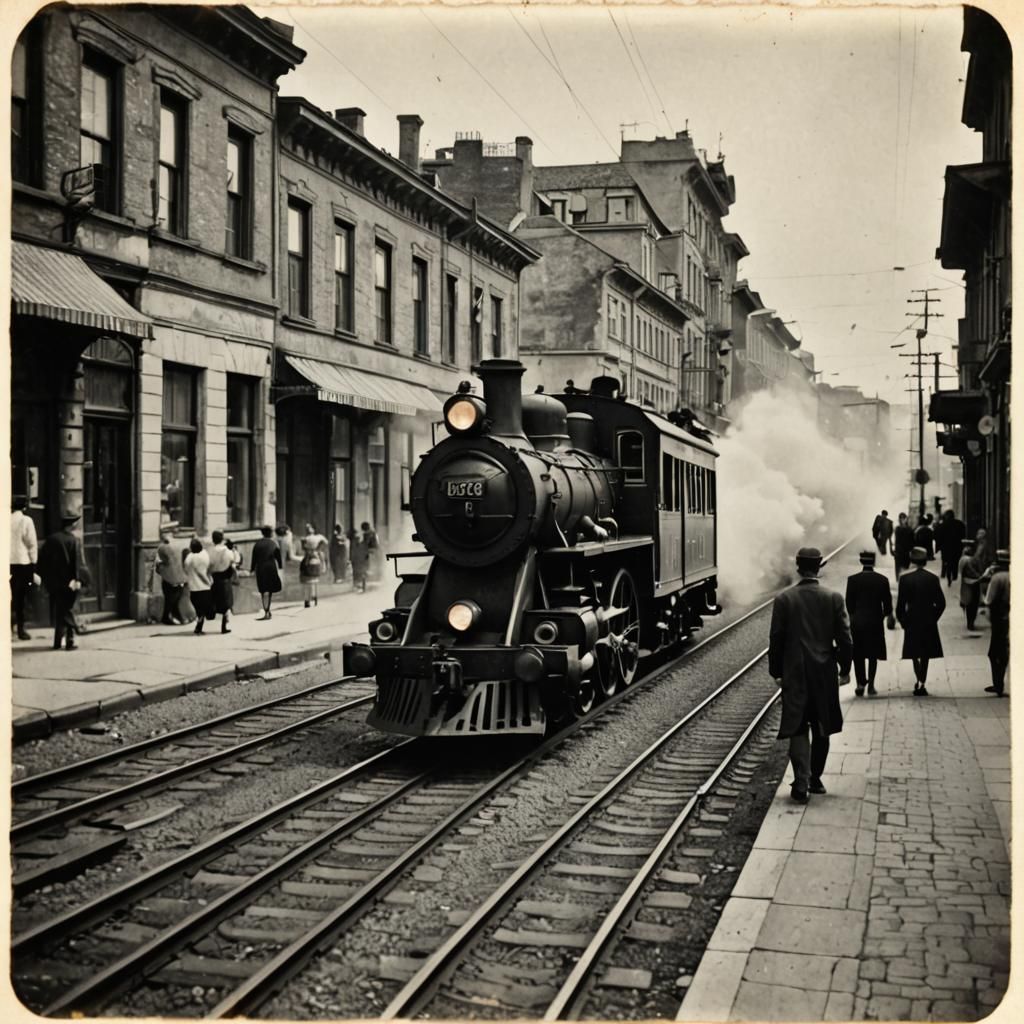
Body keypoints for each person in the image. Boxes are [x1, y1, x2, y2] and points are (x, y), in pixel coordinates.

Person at [769, 546, 853, 804]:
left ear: (798, 566)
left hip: (795, 673)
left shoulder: (784, 599)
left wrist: (777, 672)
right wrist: (845, 669)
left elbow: (777, 640)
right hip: (824, 672)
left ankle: (801, 782)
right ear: (819, 567)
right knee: (821, 726)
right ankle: (815, 778)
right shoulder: (834, 598)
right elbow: (845, 639)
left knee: (797, 727)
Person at [896, 546, 946, 696]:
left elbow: (900, 605)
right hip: (928, 619)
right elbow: (941, 603)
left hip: (912, 618)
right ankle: (922, 680)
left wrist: (903, 621)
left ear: (912, 560)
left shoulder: (905, 579)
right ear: (925, 561)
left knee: (913, 651)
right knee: (926, 652)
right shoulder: (932, 578)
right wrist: (933, 617)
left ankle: (919, 679)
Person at [845, 550, 894, 697]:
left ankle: (860, 684)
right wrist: (882, 616)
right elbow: (888, 605)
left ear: (861, 562)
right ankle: (871, 685)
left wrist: (854, 616)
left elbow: (849, 603)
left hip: (857, 622)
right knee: (873, 654)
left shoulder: (852, 580)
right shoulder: (882, 580)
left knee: (858, 654)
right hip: (875, 621)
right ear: (874, 562)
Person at [38, 510, 88, 651]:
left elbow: (42, 561)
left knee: (60, 610)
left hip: (54, 582)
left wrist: (45, 579)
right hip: (69, 582)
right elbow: (77, 564)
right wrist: (77, 580)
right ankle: (72, 636)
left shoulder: (51, 539)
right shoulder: (74, 541)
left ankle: (58, 642)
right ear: (72, 525)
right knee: (67, 609)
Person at [10, 494, 38, 640]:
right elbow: (31, 543)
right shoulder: (26, 520)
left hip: (7, 563)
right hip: (22, 563)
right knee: (21, 597)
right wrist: (34, 562)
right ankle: (21, 629)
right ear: (24, 507)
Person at [984, 550, 1009, 697]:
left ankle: (998, 683)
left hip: (999, 619)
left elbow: (989, 600)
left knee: (994, 653)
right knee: (1005, 650)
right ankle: (1000, 681)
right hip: (1011, 617)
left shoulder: (997, 578)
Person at [155, 522, 187, 626]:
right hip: (181, 576)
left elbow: (161, 563)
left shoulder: (162, 547)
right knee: (175, 597)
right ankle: (178, 617)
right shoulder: (181, 545)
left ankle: (167, 617)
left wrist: (159, 568)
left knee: (170, 598)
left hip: (169, 576)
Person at [184, 537, 215, 634]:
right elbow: (204, 571)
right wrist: (209, 581)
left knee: (198, 608)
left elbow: (186, 569)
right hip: (204, 587)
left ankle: (199, 624)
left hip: (193, 587)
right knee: (206, 607)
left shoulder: (189, 558)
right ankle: (201, 623)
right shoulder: (204, 555)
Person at [251, 524, 283, 620]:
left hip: (260, 568)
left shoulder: (257, 544)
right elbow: (279, 558)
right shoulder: (274, 544)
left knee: (263, 590)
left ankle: (266, 611)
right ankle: (267, 611)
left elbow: (254, 559)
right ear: (271, 533)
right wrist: (280, 567)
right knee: (269, 590)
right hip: (271, 568)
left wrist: (252, 569)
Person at [208, 530, 235, 634]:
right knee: (226, 602)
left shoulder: (210, 551)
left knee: (215, 599)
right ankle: (224, 626)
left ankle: (204, 621)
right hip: (224, 577)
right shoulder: (227, 551)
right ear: (222, 539)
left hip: (214, 577)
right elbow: (234, 560)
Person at [299, 523, 328, 607]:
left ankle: (313, 597)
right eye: (306, 528)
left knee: (312, 580)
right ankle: (308, 599)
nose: (308, 529)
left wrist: (319, 549)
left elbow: (325, 543)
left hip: (313, 559)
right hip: (309, 559)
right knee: (308, 581)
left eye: (309, 527)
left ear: (313, 529)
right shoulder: (304, 538)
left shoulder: (318, 537)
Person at [936, 509, 966, 587]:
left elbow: (938, 537)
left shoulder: (942, 525)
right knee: (955, 561)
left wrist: (938, 547)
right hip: (957, 546)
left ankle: (948, 575)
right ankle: (955, 575)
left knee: (947, 562)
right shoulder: (959, 524)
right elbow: (963, 535)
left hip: (946, 547)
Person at [958, 540, 982, 632]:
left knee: (968, 603)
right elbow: (974, 572)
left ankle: (969, 621)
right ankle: (971, 622)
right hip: (974, 583)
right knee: (973, 603)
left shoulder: (962, 559)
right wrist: (980, 576)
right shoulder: (970, 560)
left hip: (965, 583)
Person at [893, 512, 915, 577]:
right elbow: (896, 541)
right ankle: (898, 580)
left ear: (906, 519)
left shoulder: (909, 529)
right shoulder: (898, 529)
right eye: (901, 518)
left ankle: (904, 580)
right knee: (898, 569)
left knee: (905, 568)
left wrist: (911, 550)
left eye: (903, 518)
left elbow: (912, 541)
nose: (902, 520)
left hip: (905, 552)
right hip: (899, 552)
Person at [349, 526, 369, 592]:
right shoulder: (356, 542)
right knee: (359, 573)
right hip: (358, 560)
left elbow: (353, 552)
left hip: (359, 560)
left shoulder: (358, 542)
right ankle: (359, 586)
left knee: (359, 573)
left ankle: (359, 586)